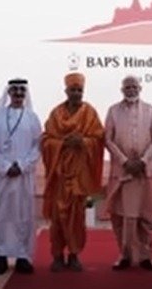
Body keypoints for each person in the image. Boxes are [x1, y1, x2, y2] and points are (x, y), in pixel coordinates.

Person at [103, 74, 152, 271]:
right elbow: (108, 139)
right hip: (123, 173)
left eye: (134, 86)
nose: (131, 90)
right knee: (123, 216)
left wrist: (142, 160)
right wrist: (125, 161)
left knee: (146, 217)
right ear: (122, 90)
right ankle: (124, 255)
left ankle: (146, 257)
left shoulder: (150, 110)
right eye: (127, 87)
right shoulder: (113, 111)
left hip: (145, 172)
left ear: (140, 89)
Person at [41, 72, 105, 272]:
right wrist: (62, 143)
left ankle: (75, 255)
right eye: (73, 90)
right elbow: (45, 140)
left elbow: (99, 139)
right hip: (59, 175)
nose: (76, 93)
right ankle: (58, 256)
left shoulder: (90, 113)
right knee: (57, 217)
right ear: (66, 91)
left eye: (80, 90)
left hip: (79, 176)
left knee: (76, 218)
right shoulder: (56, 114)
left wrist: (83, 142)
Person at [0, 78, 41, 276]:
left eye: (21, 90)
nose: (17, 94)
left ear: (25, 93)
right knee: (1, 215)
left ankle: (22, 256)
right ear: (8, 93)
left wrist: (22, 165)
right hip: (3, 175)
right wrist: (6, 166)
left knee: (24, 215)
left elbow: (37, 146)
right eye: (14, 90)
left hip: (24, 176)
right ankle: (0, 255)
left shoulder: (32, 118)